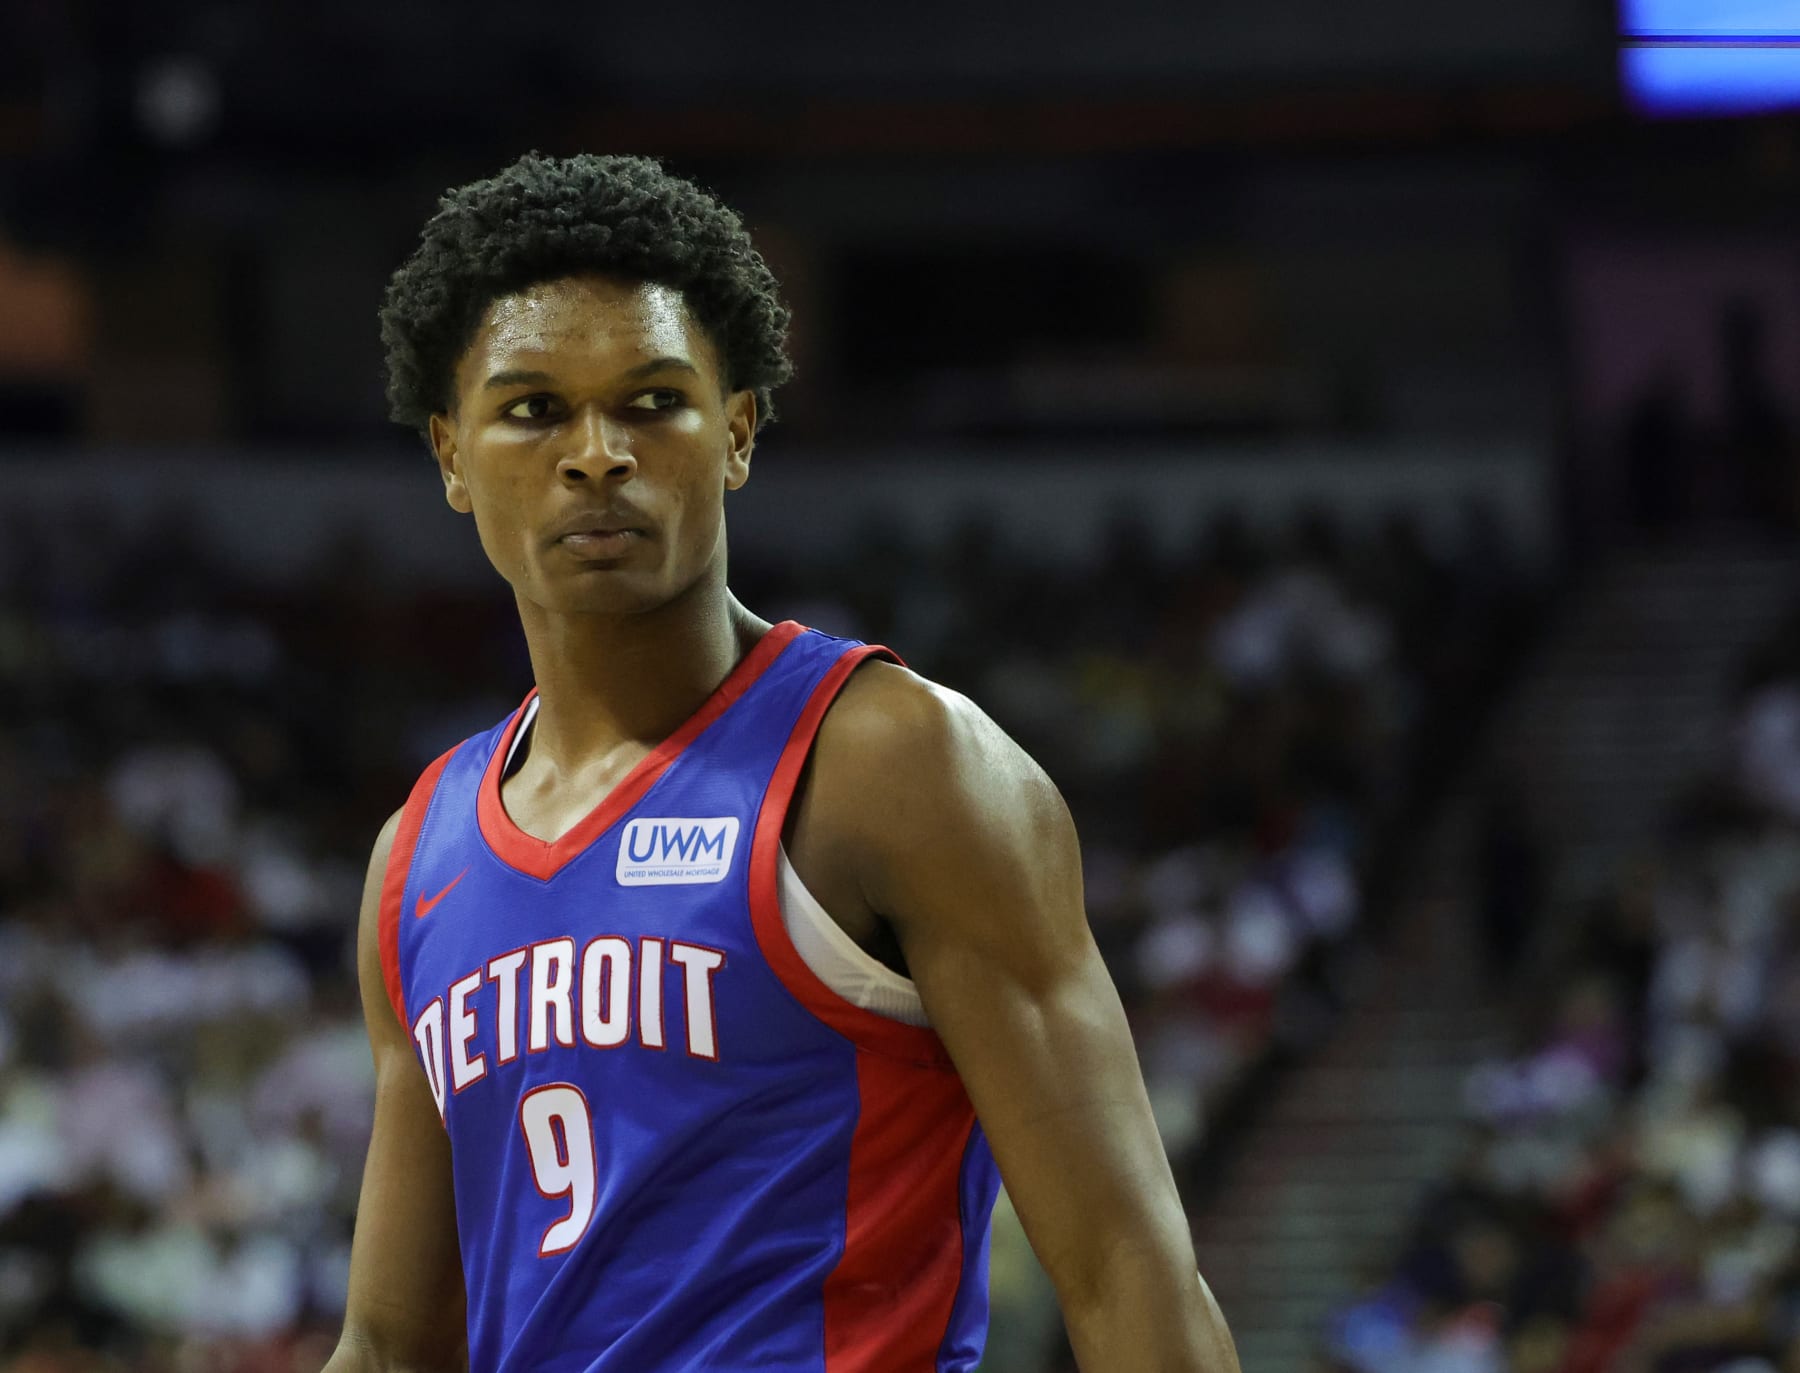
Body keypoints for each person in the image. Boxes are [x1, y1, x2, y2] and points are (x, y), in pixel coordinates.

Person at [322, 151, 1240, 1373]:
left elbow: (1127, 1267)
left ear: (739, 430)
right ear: (450, 454)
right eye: (532, 408)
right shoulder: (418, 854)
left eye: (653, 399)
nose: (596, 453)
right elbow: (389, 1344)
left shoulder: (897, 765)